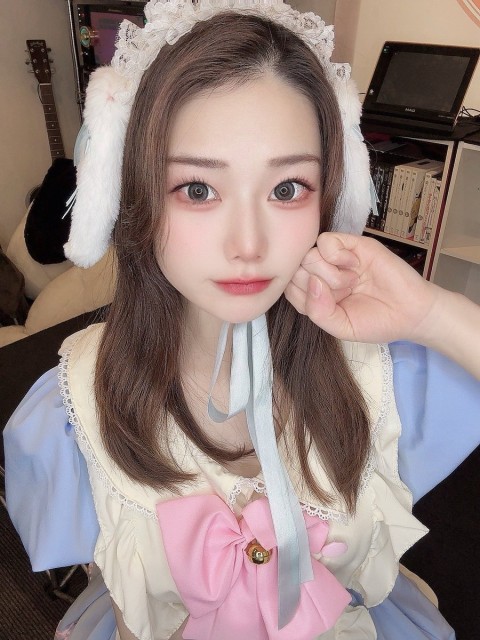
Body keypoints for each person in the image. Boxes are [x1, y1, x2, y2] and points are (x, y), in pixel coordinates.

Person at [4, 1, 480, 639]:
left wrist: (429, 311)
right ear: (134, 196)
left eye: (287, 189)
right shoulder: (74, 409)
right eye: (198, 189)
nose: (249, 245)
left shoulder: (383, 371)